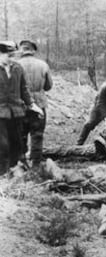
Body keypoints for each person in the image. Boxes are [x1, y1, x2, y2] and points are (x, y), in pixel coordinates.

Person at [0, 41, 43, 175]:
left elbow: (24, 89)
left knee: (17, 143)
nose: (12, 58)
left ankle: (14, 170)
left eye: (13, 55)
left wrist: (33, 105)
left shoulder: (18, 68)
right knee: (3, 145)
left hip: (17, 112)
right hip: (0, 113)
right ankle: (3, 174)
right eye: (9, 55)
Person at [18, 39, 53, 168]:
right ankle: (36, 165)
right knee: (37, 135)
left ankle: (21, 164)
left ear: (22, 50)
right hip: (39, 104)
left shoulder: (14, 65)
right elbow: (49, 86)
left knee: (20, 135)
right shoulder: (43, 65)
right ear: (33, 50)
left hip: (20, 105)